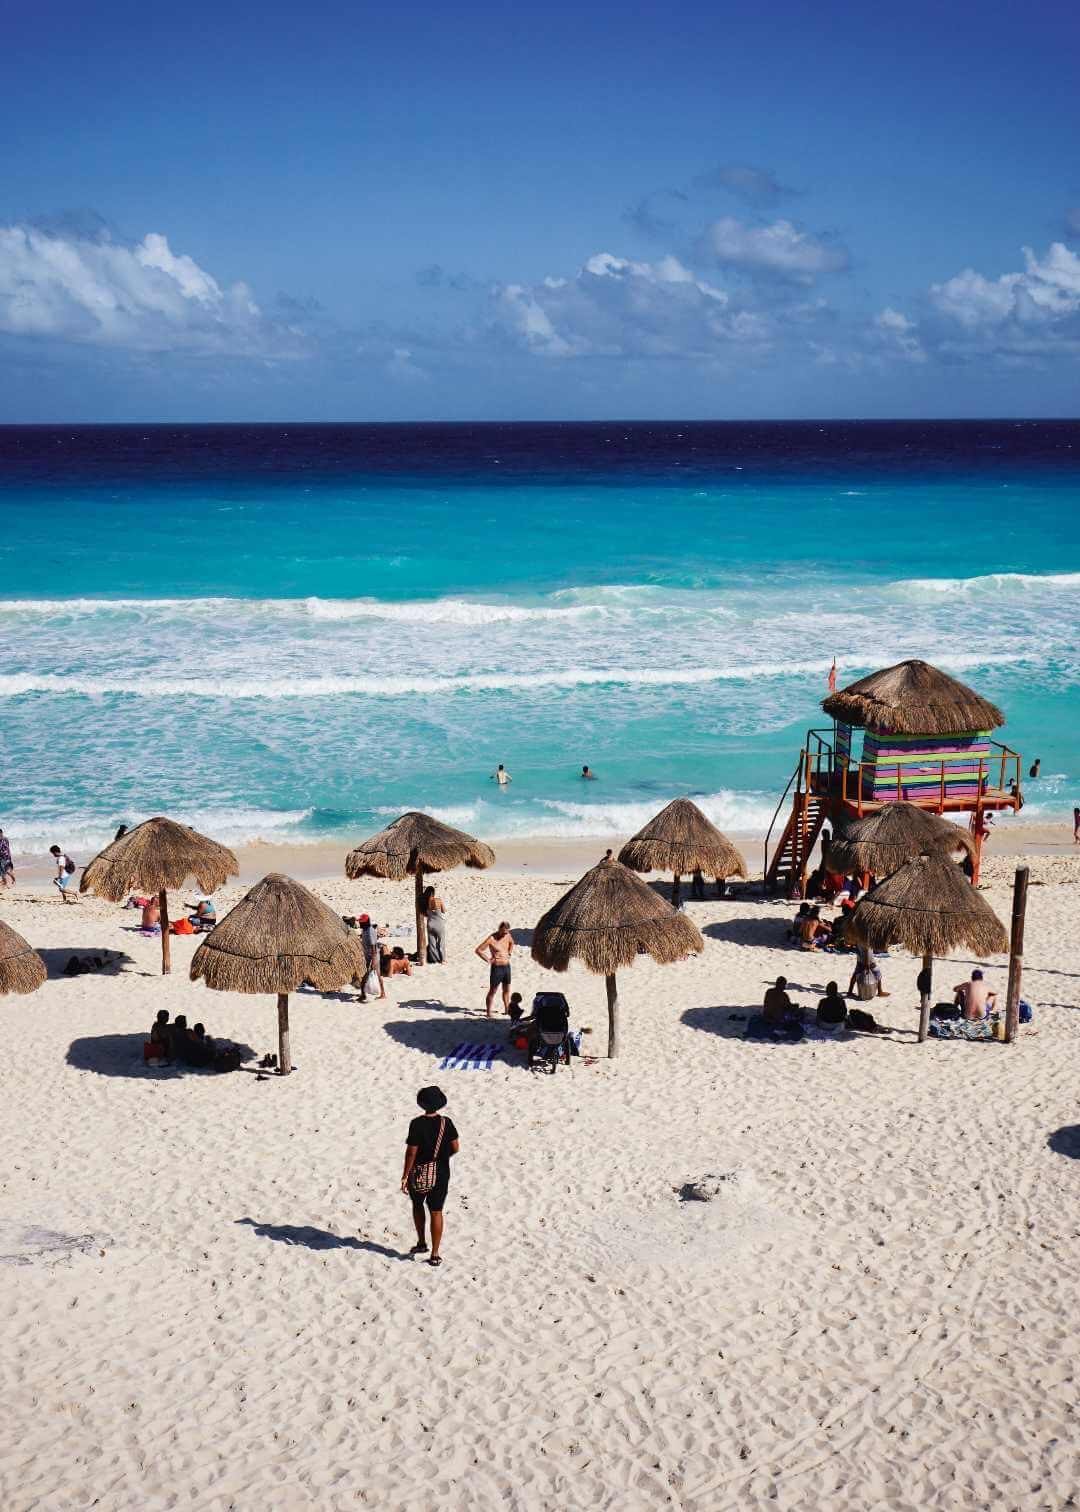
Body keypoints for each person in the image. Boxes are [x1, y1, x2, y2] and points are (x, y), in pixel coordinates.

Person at [401, 1086, 459, 1268]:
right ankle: (435, 1254)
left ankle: (421, 1243)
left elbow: (411, 1152)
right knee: (436, 1210)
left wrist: (405, 1175)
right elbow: (455, 1147)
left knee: (418, 1205)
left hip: (419, 1171)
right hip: (441, 1172)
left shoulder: (417, 1123)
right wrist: (442, 1158)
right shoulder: (446, 1123)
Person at [475, 920, 514, 1016]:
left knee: (506, 990)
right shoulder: (491, 939)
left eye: (507, 932)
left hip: (507, 967)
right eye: (504, 932)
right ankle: (488, 1012)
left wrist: (509, 952)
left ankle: (507, 1009)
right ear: (500, 929)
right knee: (493, 990)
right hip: (497, 968)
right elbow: (478, 950)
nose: (506, 934)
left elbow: (512, 943)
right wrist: (488, 960)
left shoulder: (508, 935)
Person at [356, 913, 385, 1002]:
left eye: (361, 922)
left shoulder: (370, 931)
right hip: (368, 956)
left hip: (373, 956)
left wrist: (373, 961)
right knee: (366, 974)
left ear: (365, 923)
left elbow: (373, 947)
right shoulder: (365, 930)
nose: (359, 924)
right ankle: (363, 994)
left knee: (376, 975)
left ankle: (382, 993)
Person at [422, 884, 447, 963]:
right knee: (441, 942)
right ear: (433, 892)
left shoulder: (425, 903)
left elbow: (425, 914)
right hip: (439, 923)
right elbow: (444, 910)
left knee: (432, 943)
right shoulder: (438, 900)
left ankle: (435, 960)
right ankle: (443, 960)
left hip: (430, 924)